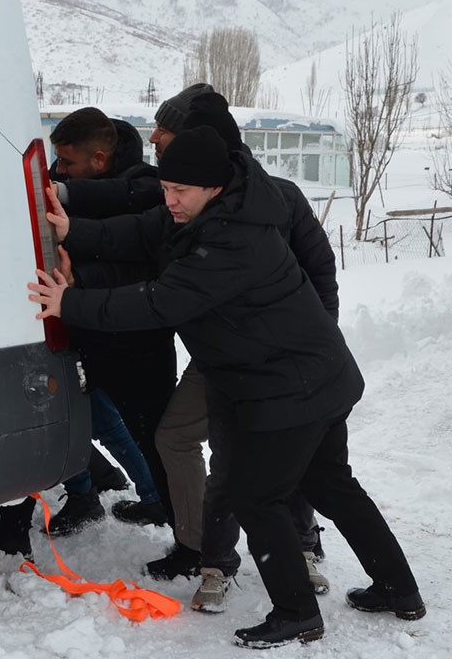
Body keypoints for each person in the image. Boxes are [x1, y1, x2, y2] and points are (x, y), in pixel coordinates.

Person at [29, 126, 425, 648]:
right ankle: (399, 588)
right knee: (330, 484)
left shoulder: (234, 239)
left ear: (213, 187)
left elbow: (159, 301)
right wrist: (72, 228)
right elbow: (141, 230)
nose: (167, 201)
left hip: (292, 386)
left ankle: (297, 613)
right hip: (311, 374)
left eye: (179, 193)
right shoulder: (208, 210)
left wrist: (71, 304)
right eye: (165, 188)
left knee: (257, 497)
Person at [146, 87, 340, 612]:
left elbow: (319, 270)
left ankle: (301, 549)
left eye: (169, 142)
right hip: (218, 358)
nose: (161, 153)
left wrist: (311, 346)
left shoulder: (277, 197)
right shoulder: (175, 201)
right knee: (215, 453)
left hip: (283, 358)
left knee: (287, 457)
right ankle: (212, 559)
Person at [0, 108, 175, 561]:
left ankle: (185, 529)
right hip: (76, 326)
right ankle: (47, 512)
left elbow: (135, 258)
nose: (59, 172)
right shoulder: (87, 178)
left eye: (68, 164)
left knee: (147, 436)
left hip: (129, 341)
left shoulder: (143, 188)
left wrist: (80, 277)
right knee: (64, 417)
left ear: (98, 158)